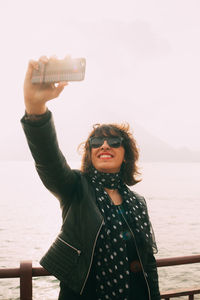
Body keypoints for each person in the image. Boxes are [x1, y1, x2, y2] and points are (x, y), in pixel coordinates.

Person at [21, 56, 161, 300]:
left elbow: (148, 265)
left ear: (125, 154)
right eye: (96, 141)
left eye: (114, 141)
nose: (104, 145)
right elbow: (49, 160)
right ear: (90, 153)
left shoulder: (138, 203)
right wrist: (35, 108)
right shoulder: (75, 189)